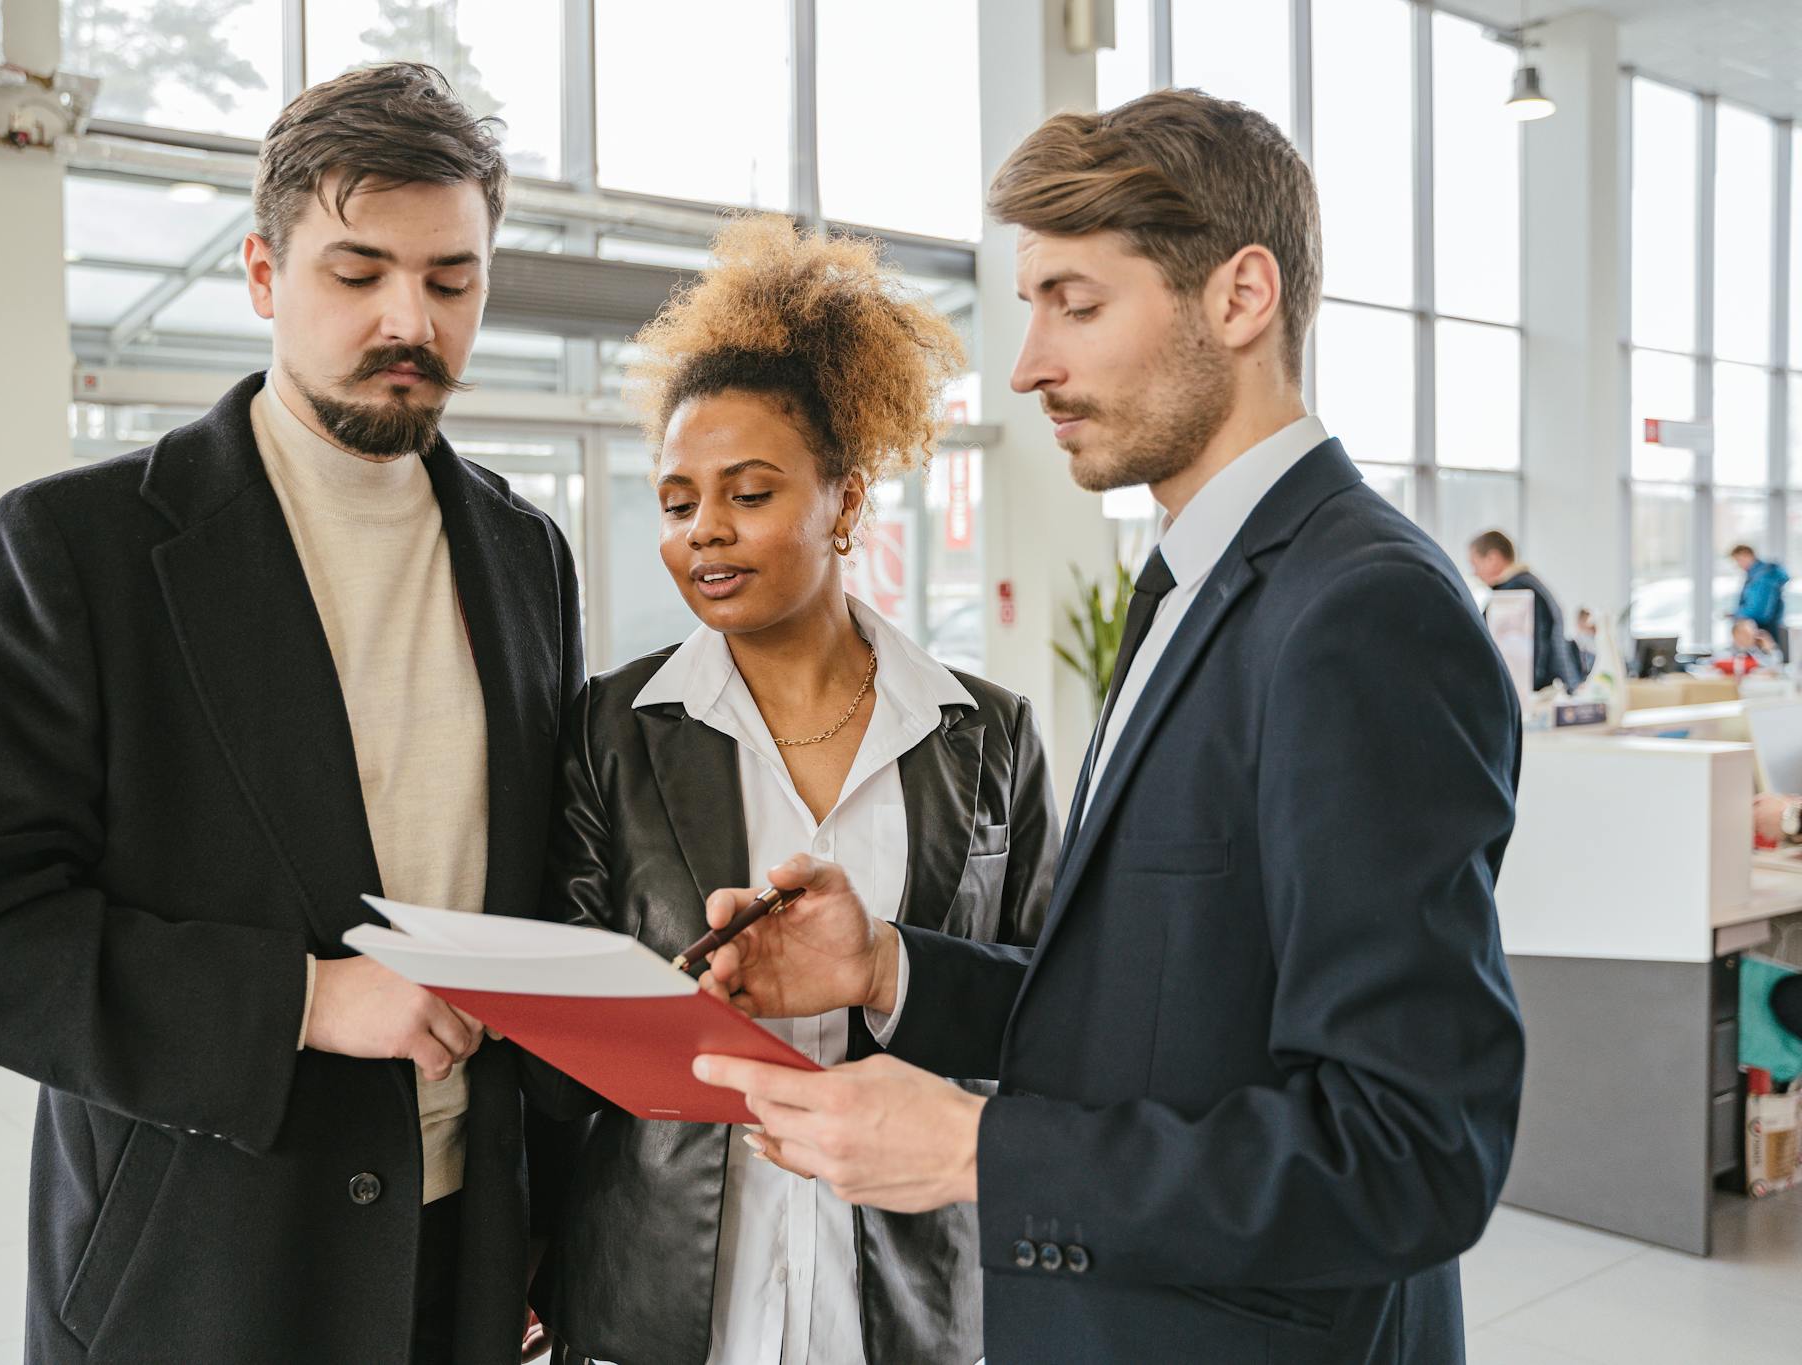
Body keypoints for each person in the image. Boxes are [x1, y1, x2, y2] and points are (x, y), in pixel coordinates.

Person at [689, 90, 1526, 1365]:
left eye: (1073, 304)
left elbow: (1410, 1154)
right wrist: (885, 972)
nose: (1027, 363)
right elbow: (1157, 1013)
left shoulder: (1358, 617)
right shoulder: (1195, 585)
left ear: (1240, 298)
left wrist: (974, 1149)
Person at [0, 65, 581, 1363]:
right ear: (261, 273)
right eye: (356, 274)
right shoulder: (83, 551)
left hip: (463, 1252)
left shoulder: (528, 555)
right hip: (204, 1264)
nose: (408, 318)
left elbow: (536, 894)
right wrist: (299, 1000)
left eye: (451, 279)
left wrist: (553, 1224)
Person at [525, 218, 1058, 1365]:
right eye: (676, 502)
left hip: (908, 1300)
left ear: (845, 502)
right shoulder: (612, 730)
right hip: (660, 1297)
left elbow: (1053, 1009)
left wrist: (890, 967)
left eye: (748, 493)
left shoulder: (985, 735)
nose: (703, 530)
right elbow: (556, 1041)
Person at [1469, 530, 1583, 691]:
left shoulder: (1515, 592)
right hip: (1554, 687)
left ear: (1493, 558)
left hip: (1537, 694)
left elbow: (1526, 655)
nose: (1475, 573)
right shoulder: (1531, 584)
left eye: (1475, 564)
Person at [1732, 543, 1790, 651]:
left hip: (1765, 628)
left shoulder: (1763, 576)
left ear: (1747, 555)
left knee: (1769, 660)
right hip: (1765, 626)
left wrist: (1738, 614)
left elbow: (1759, 609)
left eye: (1739, 560)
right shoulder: (1757, 575)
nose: (1739, 565)